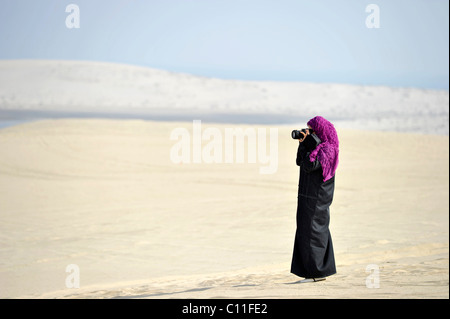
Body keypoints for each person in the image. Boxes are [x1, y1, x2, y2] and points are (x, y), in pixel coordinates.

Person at [290, 116, 339, 283]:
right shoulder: (315, 147)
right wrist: (303, 144)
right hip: (306, 195)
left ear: (321, 131)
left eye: (312, 130)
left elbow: (311, 166)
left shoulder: (328, 149)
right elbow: (300, 162)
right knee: (305, 231)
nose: (309, 133)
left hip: (317, 197)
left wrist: (311, 145)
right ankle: (310, 271)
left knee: (314, 232)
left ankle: (316, 273)